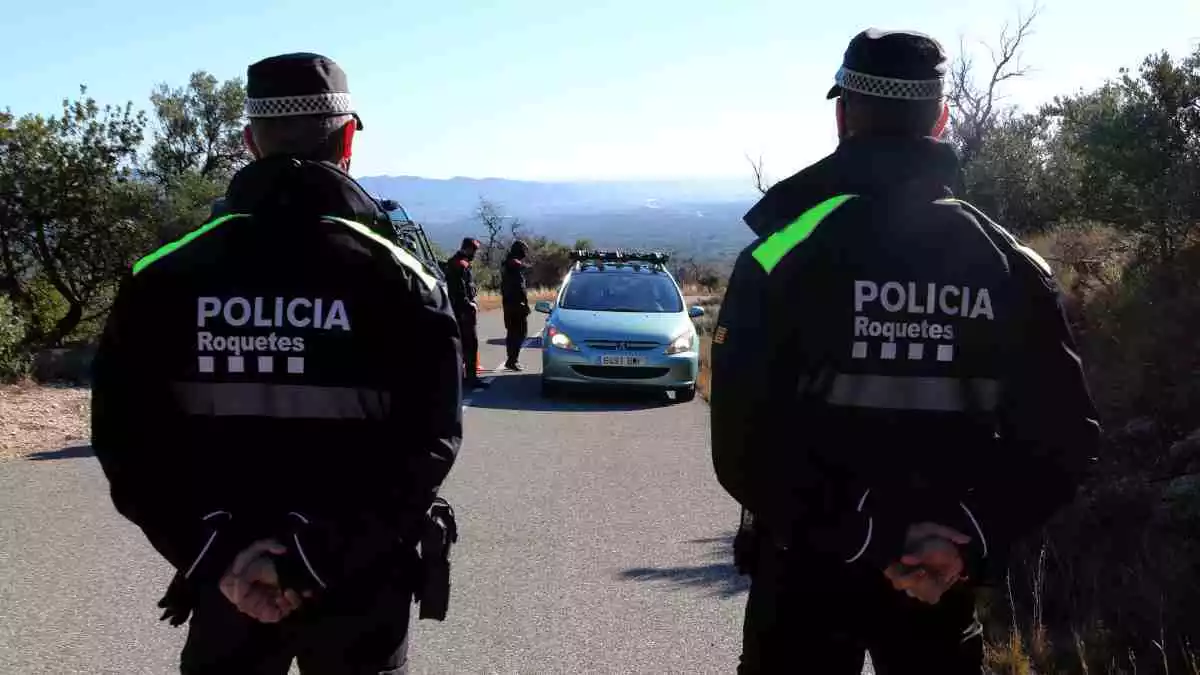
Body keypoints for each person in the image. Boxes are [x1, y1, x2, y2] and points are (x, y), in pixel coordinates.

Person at [709, 29, 1101, 674]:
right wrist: (961, 537)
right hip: (939, 579)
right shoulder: (1013, 264)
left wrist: (868, 534)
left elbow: (742, 445)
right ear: (941, 117)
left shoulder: (781, 254)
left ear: (842, 116)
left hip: (806, 579)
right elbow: (1067, 440)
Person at [90, 52, 463, 675]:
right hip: (359, 582)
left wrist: (218, 555)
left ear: (247, 142)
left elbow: (125, 442)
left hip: (225, 578)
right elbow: (430, 444)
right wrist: (310, 559)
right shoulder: (403, 280)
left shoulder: (162, 277)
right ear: (347, 139)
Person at [445, 238, 489, 389]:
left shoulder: (457, 262)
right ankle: (470, 379)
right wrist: (468, 303)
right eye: (474, 251)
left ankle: (462, 377)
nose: (475, 254)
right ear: (468, 249)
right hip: (463, 311)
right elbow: (458, 288)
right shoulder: (460, 264)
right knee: (469, 344)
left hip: (459, 310)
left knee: (464, 344)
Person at [500, 240, 532, 371]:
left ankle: (511, 359)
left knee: (512, 332)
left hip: (509, 304)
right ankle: (512, 360)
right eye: (524, 250)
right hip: (516, 304)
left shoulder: (508, 263)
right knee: (519, 333)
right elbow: (519, 287)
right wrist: (524, 304)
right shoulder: (514, 263)